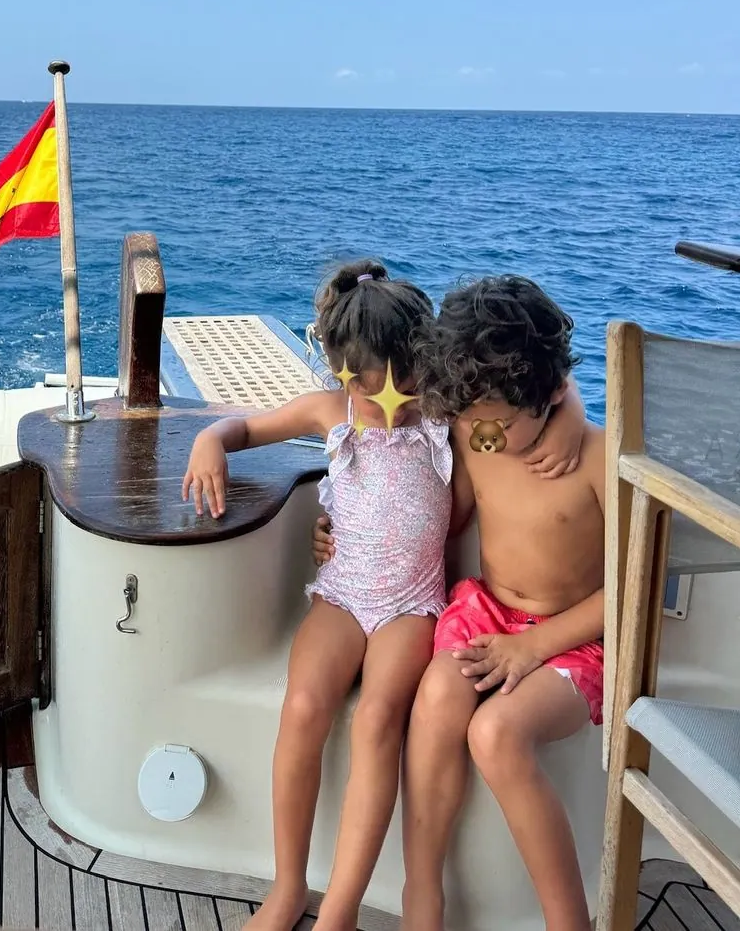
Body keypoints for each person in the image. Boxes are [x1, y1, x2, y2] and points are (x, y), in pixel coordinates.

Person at [182, 260, 585, 931]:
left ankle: (338, 911)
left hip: (412, 605)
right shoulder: (329, 412)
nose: (384, 406)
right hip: (341, 594)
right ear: (342, 373)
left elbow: (527, 405)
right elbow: (243, 429)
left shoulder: (448, 422)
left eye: (400, 389)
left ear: (426, 368)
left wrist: (569, 413)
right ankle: (287, 891)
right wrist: (208, 441)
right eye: (367, 391)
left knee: (376, 722)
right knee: (304, 704)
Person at [313, 274, 603, 931]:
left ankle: (569, 921)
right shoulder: (479, 426)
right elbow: (428, 514)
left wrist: (532, 646)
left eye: (492, 426)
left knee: (494, 732)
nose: (475, 436)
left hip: (572, 638)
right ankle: (423, 894)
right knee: (437, 700)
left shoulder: (592, 458)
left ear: (552, 393)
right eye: (467, 420)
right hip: (485, 613)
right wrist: (339, 527)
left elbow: (632, 589)